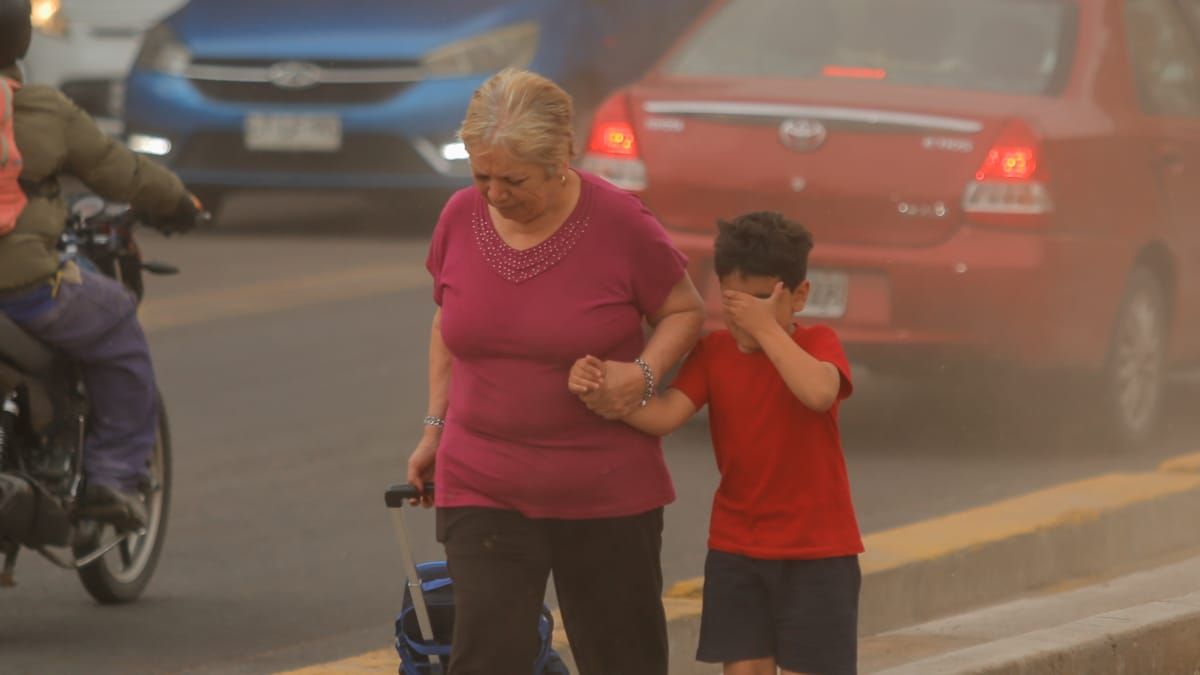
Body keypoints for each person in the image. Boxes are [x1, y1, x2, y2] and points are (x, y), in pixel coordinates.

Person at [406, 68, 704, 675]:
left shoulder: (620, 222)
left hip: (605, 491)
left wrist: (641, 376)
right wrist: (435, 427)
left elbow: (684, 310)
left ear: (560, 159)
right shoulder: (459, 217)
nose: (494, 194)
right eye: (481, 175)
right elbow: (448, 326)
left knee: (622, 660)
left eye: (513, 180)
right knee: (486, 659)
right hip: (482, 482)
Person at [570, 211, 864, 675]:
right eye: (733, 302)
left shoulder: (818, 344)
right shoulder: (713, 353)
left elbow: (818, 393)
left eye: (761, 300)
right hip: (737, 547)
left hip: (818, 551)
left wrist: (766, 330)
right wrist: (604, 393)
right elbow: (666, 414)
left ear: (799, 295)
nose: (745, 315)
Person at [0, 0, 202, 530]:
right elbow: (120, 170)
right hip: (22, 288)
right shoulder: (39, 110)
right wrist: (179, 202)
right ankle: (113, 476)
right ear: (21, 41)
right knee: (115, 319)